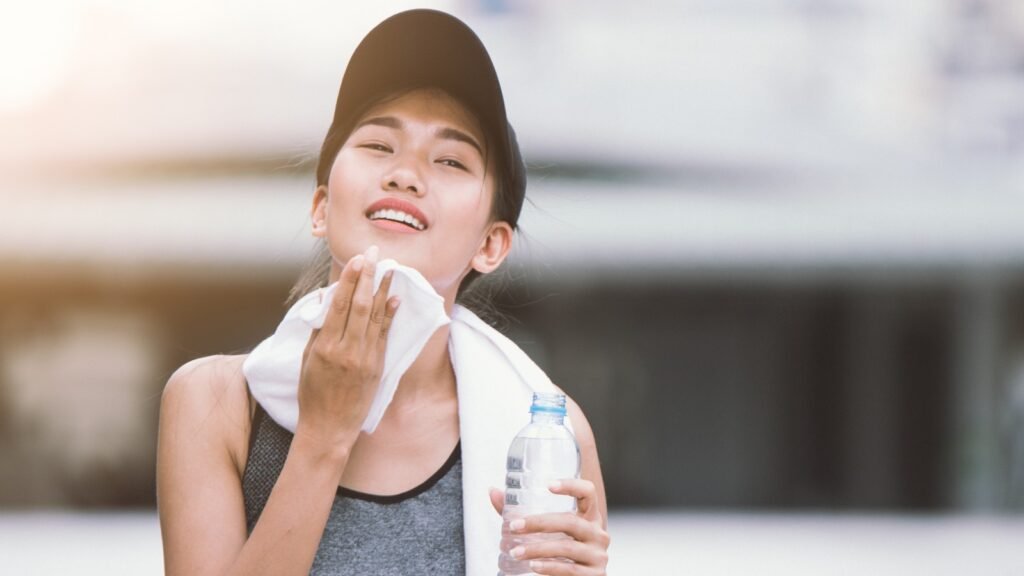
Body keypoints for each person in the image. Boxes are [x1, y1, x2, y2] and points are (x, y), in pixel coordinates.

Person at [157, 9, 609, 576]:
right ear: (321, 207)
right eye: (377, 145)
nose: (405, 173)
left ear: (491, 245)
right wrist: (324, 436)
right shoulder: (216, 404)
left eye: (450, 159)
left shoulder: (542, 432)